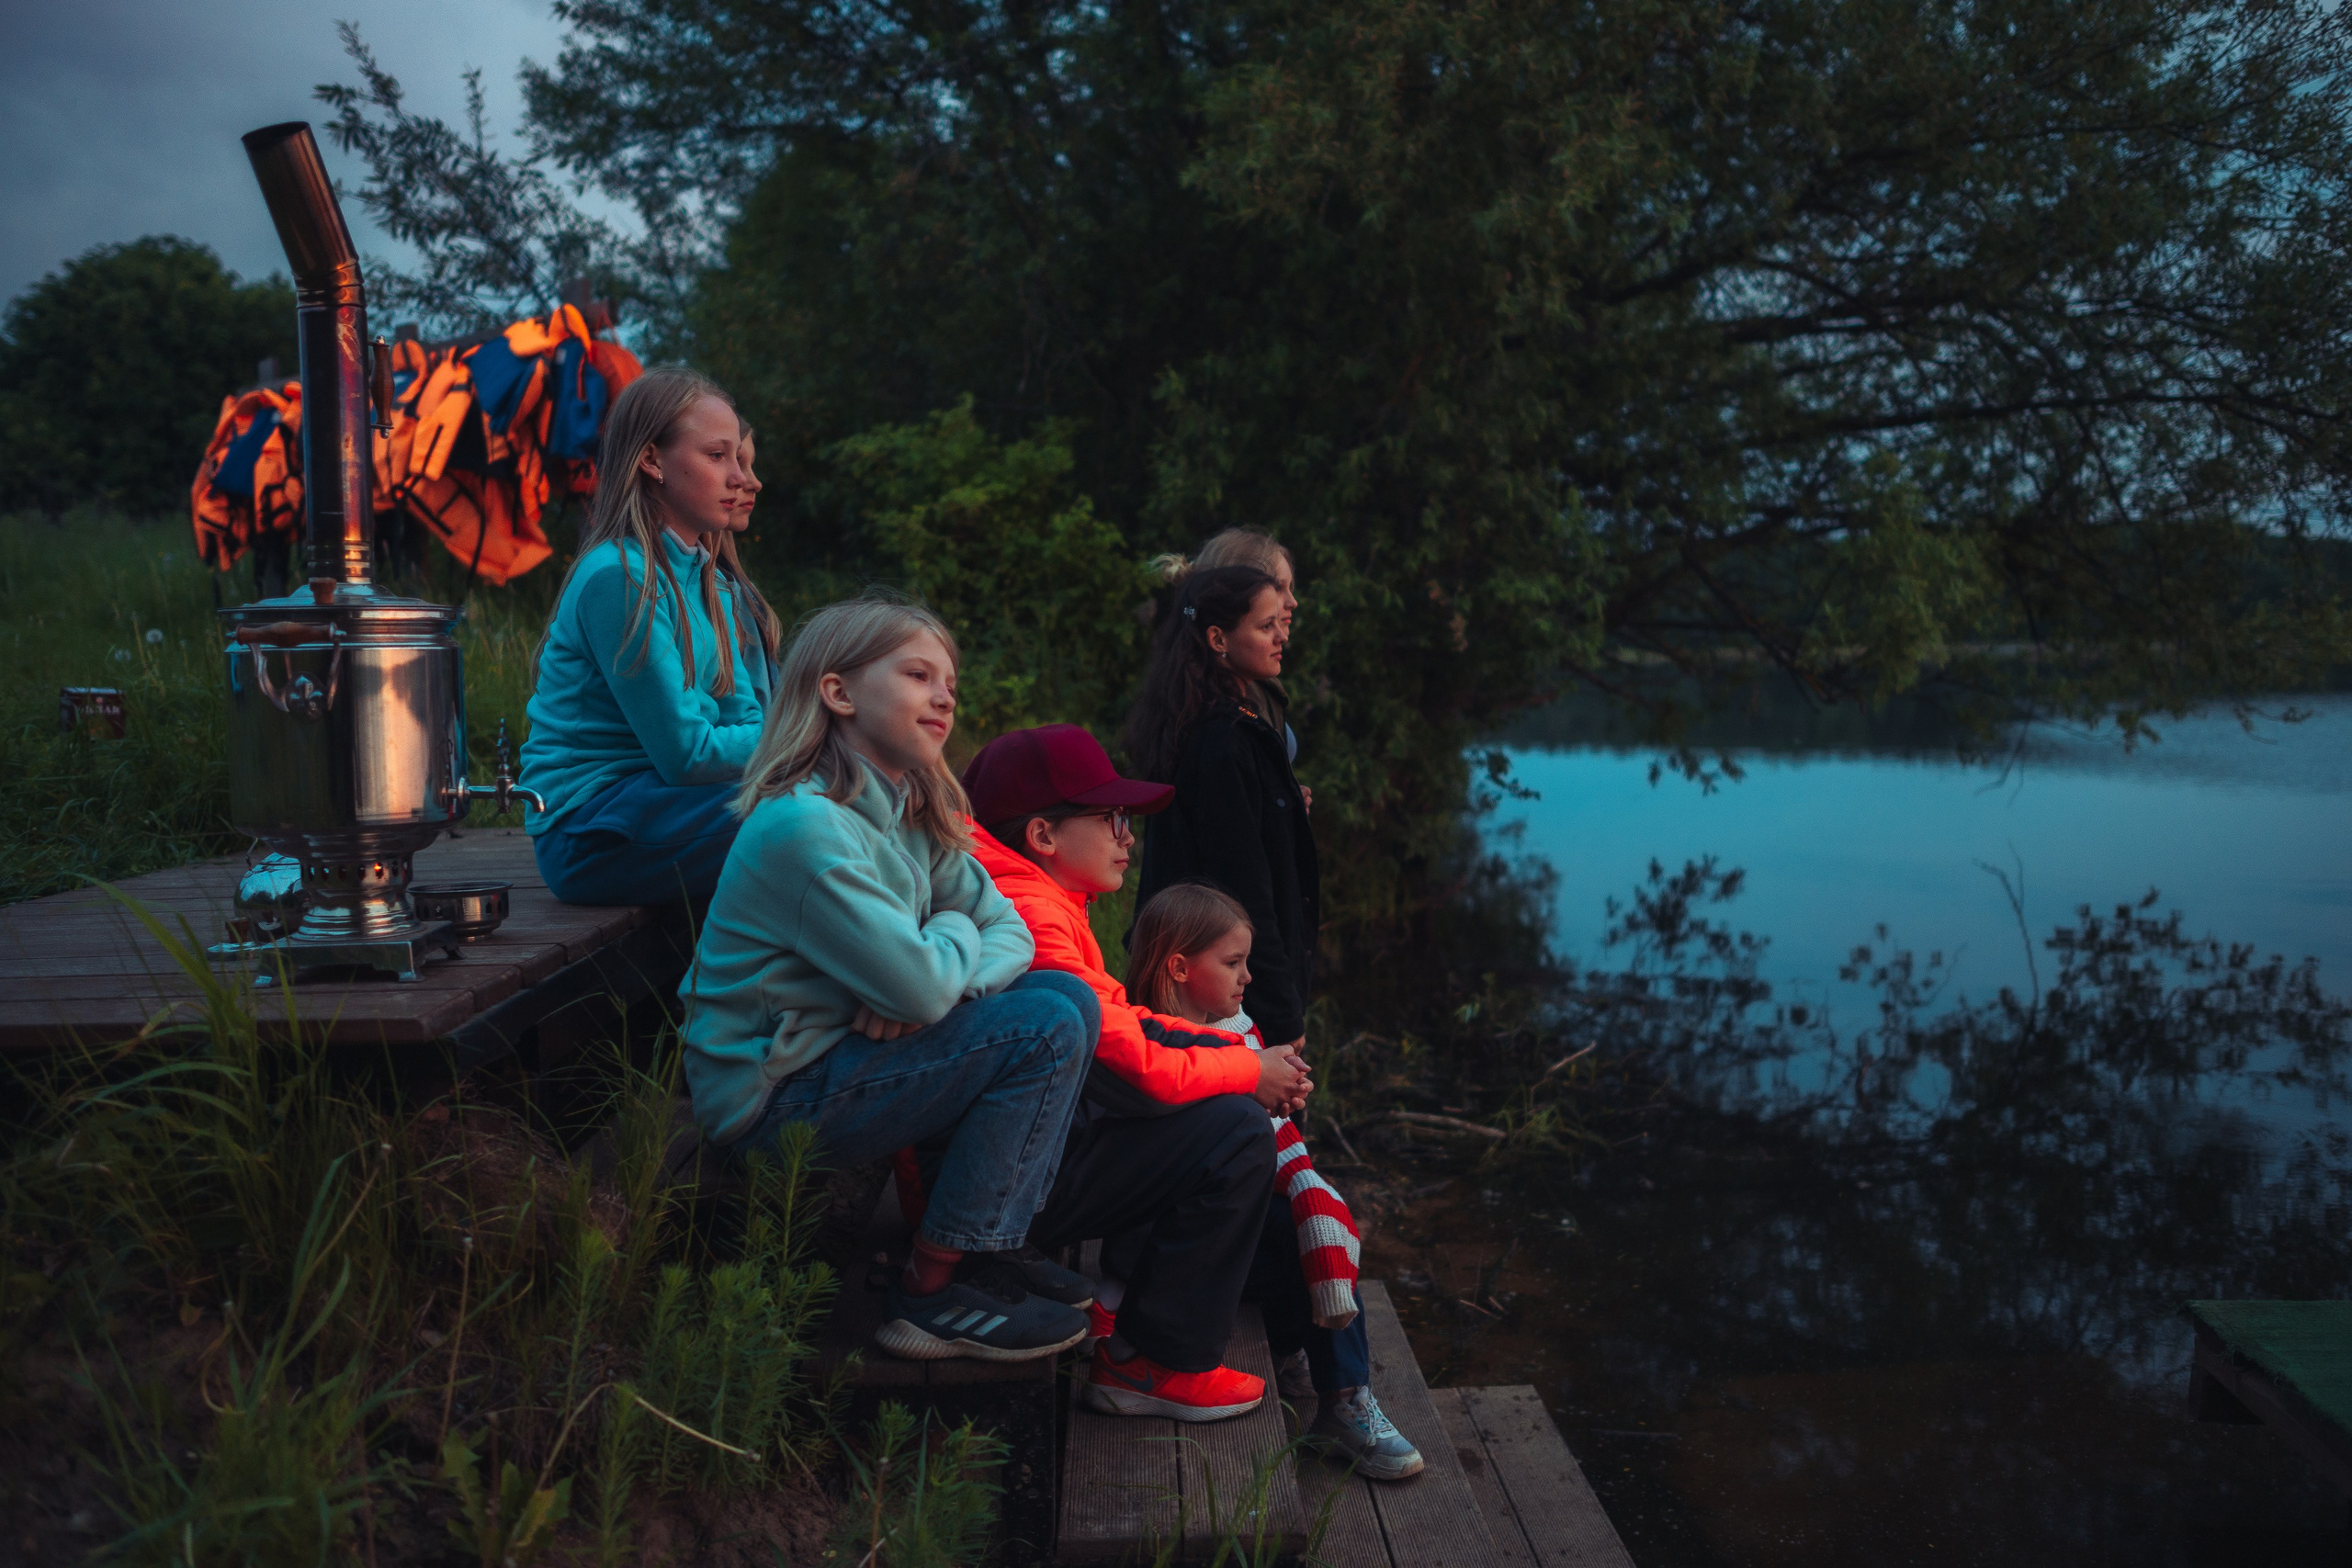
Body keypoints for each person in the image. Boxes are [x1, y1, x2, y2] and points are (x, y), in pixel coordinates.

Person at [682, 594, 1105, 1362]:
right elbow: (925, 978)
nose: (944, 696)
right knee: (1043, 1027)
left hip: (840, 1059)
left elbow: (1010, 932)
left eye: (950, 683)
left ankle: (983, 1242)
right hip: (771, 1098)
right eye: (918, 675)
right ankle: (933, 1293)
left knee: (1068, 996)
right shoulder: (803, 826)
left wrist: (936, 984)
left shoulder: (910, 812)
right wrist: (940, 952)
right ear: (838, 692)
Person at [957, 723, 1292, 1422]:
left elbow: (1122, 1020)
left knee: (1210, 1106)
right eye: (1110, 818)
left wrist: (1234, 1055)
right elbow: (1131, 1065)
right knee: (1233, 1131)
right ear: (1044, 835)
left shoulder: (1040, 899)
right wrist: (1245, 1068)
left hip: (1007, 1160)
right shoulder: (1028, 915)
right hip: (989, 1190)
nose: (1127, 836)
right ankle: (1154, 1364)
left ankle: (1126, 1317)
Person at [1128, 883, 1424, 1479]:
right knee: (1298, 1225)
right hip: (1164, 1242)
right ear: (1180, 968)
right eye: (1232, 962)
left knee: (1316, 1216)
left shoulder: (1239, 1030)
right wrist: (1249, 1097)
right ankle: (1321, 1378)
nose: (1247, 977)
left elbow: (1267, 1139)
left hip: (1225, 1224)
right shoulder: (1145, 1040)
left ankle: (1342, 1394)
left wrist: (1280, 1102)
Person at [520, 367, 767, 905]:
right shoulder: (619, 579)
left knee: (845, 796)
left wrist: (810, 749)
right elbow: (688, 755)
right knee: (806, 819)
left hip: (666, 802)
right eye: (717, 456)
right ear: (652, 460)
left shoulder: (708, 581)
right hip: (589, 826)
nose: (739, 478)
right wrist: (813, 737)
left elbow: (744, 718)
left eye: (737, 458)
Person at [1125, 564, 1319, 1060]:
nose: (1281, 637)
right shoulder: (1223, 741)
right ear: (1218, 639)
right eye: (1265, 626)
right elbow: (1244, 885)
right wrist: (1282, 1014)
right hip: (1223, 992)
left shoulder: (1205, 725)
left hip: (1208, 974)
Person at [715, 423, 781, 708]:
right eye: (720, 457)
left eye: (747, 464)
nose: (753, 483)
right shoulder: (637, 578)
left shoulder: (740, 589)